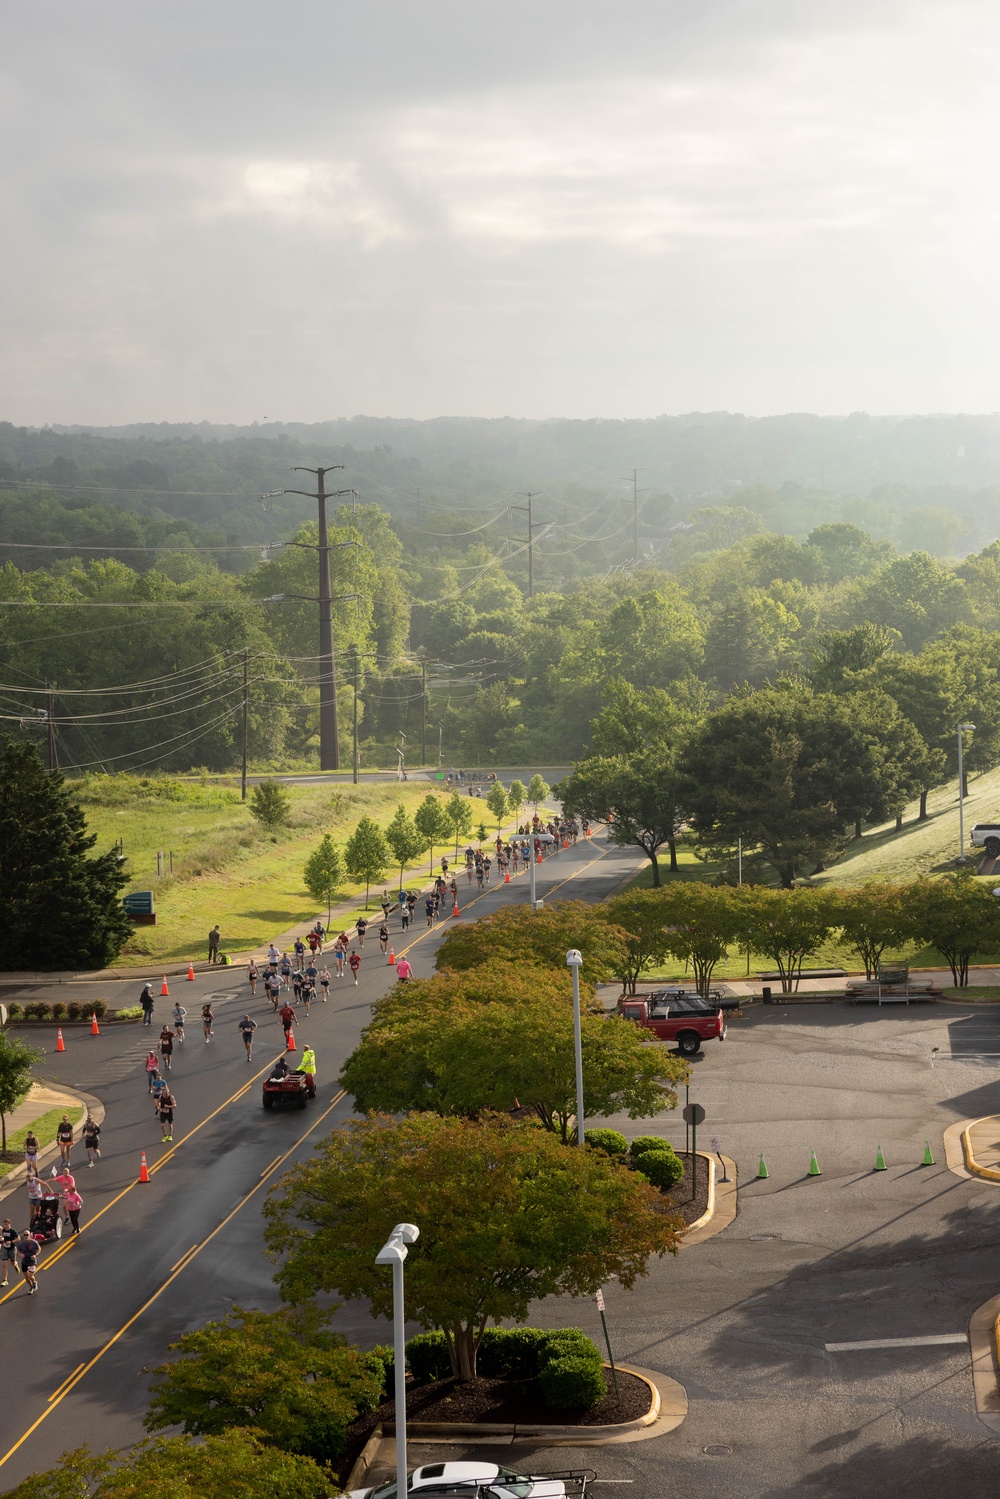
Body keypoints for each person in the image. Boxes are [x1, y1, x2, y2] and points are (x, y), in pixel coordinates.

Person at [17, 1229, 39, 1294]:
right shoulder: (21, 1244)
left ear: (30, 1235)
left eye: (27, 1235)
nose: (26, 1236)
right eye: (24, 1235)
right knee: (26, 1278)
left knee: (30, 1276)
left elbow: (39, 1249)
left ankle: (34, 1282)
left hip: (32, 1262)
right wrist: (20, 1255)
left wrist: (35, 1255)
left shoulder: (33, 1242)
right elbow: (18, 1252)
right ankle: (31, 1287)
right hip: (24, 1262)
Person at [0, 1219, 16, 1287]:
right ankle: (5, 1280)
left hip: (12, 1248)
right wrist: (2, 1238)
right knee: (4, 1263)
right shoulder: (3, 1230)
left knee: (13, 1263)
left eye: (7, 1224)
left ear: (10, 1224)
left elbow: (18, 1238)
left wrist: (11, 1241)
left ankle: (16, 1266)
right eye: (5, 1224)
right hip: (5, 1248)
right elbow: (0, 1229)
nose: (6, 1225)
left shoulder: (12, 1231)